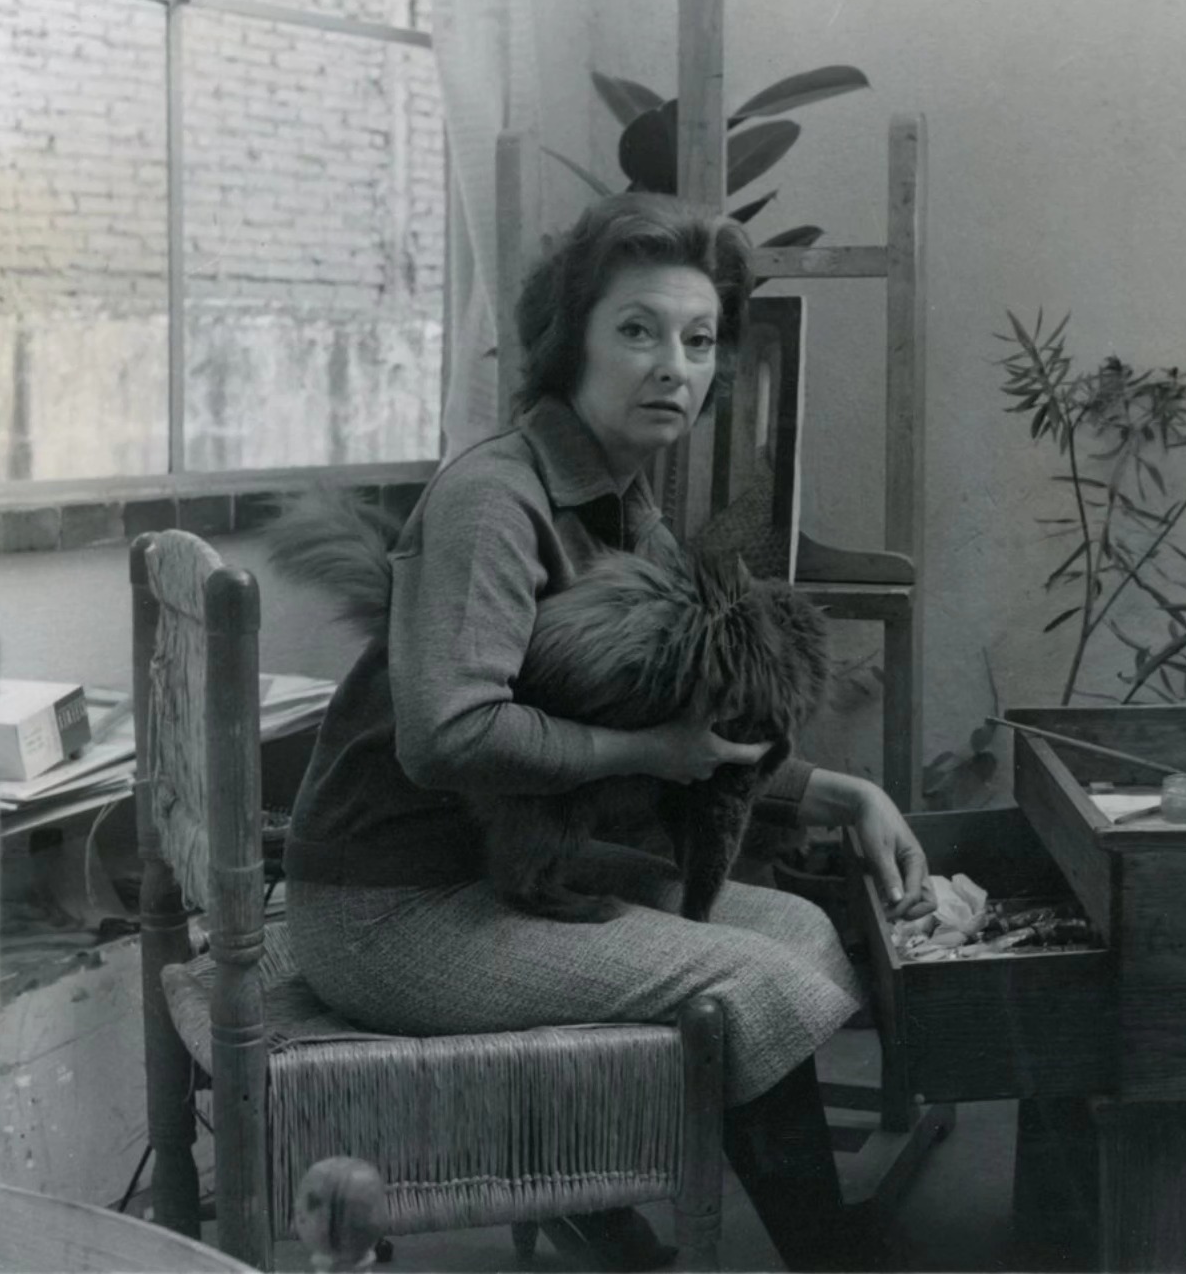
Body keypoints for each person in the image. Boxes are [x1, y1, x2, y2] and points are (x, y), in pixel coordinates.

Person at [284, 193, 936, 1272]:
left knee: (797, 934)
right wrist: (643, 757)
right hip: (389, 908)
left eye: (698, 340)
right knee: (755, 982)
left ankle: (604, 1179)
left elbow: (685, 729)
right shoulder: (494, 500)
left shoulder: (623, 505)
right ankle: (829, 1258)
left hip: (499, 872)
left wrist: (841, 795)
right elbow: (448, 736)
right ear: (569, 342)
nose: (673, 367)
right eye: (638, 331)